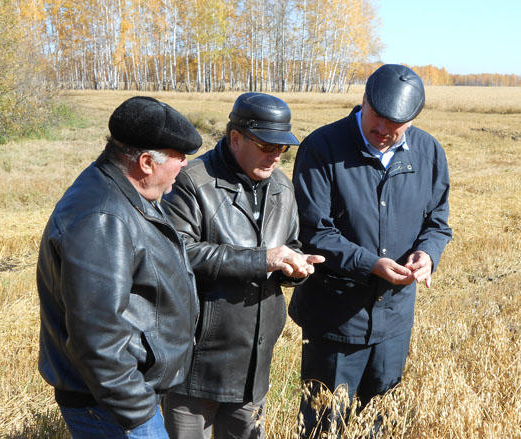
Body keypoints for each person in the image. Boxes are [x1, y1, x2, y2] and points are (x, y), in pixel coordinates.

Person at [290, 64, 453, 436]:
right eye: (375, 120)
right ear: (363, 101)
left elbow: (437, 225)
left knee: (380, 426)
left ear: (412, 120)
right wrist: (370, 265)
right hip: (334, 322)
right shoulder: (322, 147)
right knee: (324, 427)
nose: (381, 132)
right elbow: (313, 231)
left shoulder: (428, 154)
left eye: (393, 127)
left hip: (394, 322)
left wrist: (427, 254)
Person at [161, 92, 324, 439]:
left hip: (254, 361)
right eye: (267, 145)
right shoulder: (192, 181)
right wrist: (263, 259)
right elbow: (176, 254)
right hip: (196, 361)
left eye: (283, 148)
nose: (276, 155)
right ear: (236, 138)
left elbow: (290, 245)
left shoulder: (281, 185)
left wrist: (294, 268)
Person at [37, 96, 203, 439]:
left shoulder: (125, 191)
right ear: (146, 162)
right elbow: (96, 336)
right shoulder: (102, 216)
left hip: (119, 397)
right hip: (111, 407)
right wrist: (139, 414)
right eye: (178, 157)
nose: (184, 165)